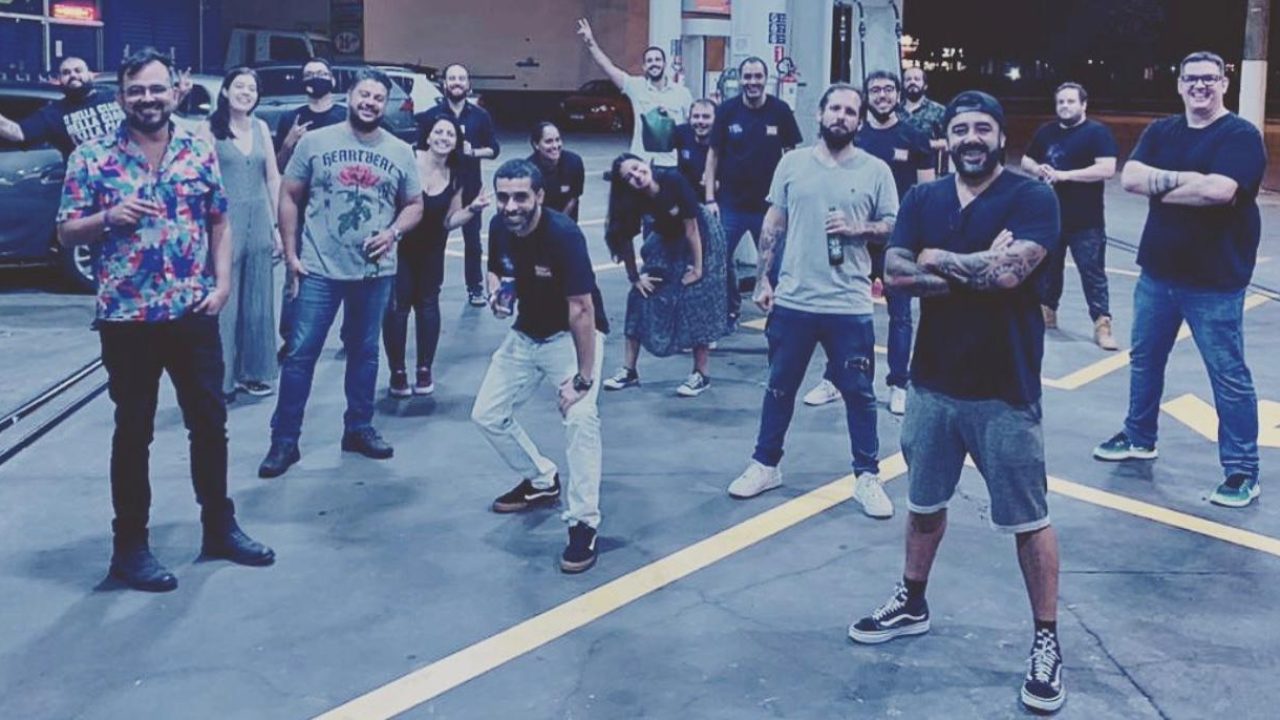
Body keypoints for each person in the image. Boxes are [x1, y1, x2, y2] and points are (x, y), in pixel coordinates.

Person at [847, 91, 1065, 714]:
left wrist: (937, 257)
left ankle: (1046, 640)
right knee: (923, 507)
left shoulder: (1032, 197)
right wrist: (977, 265)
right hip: (932, 385)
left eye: (983, 128)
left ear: (1001, 137)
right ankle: (912, 602)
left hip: (1006, 389)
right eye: (961, 128)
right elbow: (895, 276)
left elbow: (1011, 275)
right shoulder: (924, 199)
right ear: (947, 137)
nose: (972, 138)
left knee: (1028, 521)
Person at [55, 47, 275, 593]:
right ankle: (129, 547)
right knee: (134, 432)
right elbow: (66, 230)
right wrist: (109, 217)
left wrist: (222, 285)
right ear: (120, 96)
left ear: (175, 91)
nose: (148, 99)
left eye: (157, 89)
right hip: (128, 319)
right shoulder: (92, 157)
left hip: (192, 312)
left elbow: (219, 220)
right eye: (136, 91)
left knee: (210, 424)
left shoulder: (198, 147)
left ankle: (219, 528)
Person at [1093, 51, 1267, 509]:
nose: (1200, 86)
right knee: (1145, 361)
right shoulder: (1162, 130)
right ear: (1180, 84)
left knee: (1228, 375)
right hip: (1158, 272)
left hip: (1216, 279)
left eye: (1209, 78)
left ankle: (1243, 470)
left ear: (1224, 83)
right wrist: (1190, 180)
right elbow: (1131, 179)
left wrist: (1165, 187)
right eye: (1191, 79)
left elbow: (1220, 191)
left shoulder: (1240, 136)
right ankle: (1139, 436)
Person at [726, 83, 895, 521]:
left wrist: (858, 230)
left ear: (859, 121)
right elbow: (774, 221)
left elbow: (892, 226)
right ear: (819, 114)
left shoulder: (876, 170)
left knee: (859, 394)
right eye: (834, 108)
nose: (841, 116)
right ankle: (766, 464)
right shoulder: (792, 163)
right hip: (795, 299)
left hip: (849, 303)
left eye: (850, 111)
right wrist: (764, 278)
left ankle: (867, 476)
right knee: (779, 388)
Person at [258, 68, 424, 479]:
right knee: (300, 354)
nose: (370, 103)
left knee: (365, 353)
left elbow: (414, 204)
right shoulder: (315, 142)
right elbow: (289, 195)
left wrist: (393, 232)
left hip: (374, 271)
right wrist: (291, 253)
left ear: (384, 105)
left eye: (378, 98)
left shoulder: (400, 150)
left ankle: (358, 428)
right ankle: (284, 440)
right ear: (348, 97)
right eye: (364, 95)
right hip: (318, 267)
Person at [470, 159, 609, 574]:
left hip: (571, 338)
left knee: (581, 419)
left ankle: (584, 522)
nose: (510, 206)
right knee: (487, 415)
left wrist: (582, 379)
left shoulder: (563, 236)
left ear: (539, 197)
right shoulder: (500, 226)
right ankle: (542, 479)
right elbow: (497, 270)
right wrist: (499, 294)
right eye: (503, 197)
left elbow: (582, 309)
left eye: (520, 197)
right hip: (526, 333)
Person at [802, 70, 934, 415]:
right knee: (840, 312)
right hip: (850, 238)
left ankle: (898, 384)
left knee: (900, 316)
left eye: (889, 89)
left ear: (897, 94)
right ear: (866, 98)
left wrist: (922, 238)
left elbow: (927, 193)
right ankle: (833, 379)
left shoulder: (915, 136)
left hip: (898, 241)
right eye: (875, 90)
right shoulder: (853, 135)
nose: (882, 95)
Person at [600, 153, 728, 397]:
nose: (636, 176)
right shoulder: (631, 199)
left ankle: (701, 374)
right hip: (667, 237)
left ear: (644, 163)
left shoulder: (673, 180)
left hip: (702, 237)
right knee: (638, 296)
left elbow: (691, 229)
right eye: (628, 177)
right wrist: (634, 278)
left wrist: (697, 269)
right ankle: (629, 370)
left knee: (697, 298)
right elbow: (624, 237)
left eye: (636, 168)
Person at [383, 115, 485, 398]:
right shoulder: (408, 160)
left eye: (450, 135)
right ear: (427, 136)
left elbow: (449, 221)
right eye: (438, 132)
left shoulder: (456, 174)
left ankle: (424, 369)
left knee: (428, 306)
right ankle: (397, 371)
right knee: (397, 307)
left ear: (456, 143)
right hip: (400, 248)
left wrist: (473, 209)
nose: (443, 138)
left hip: (432, 250)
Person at [703, 57, 802, 325]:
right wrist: (710, 198)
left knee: (775, 266)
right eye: (747, 77)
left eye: (758, 76)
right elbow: (713, 155)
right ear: (740, 80)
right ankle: (729, 311)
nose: (752, 82)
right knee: (718, 262)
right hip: (730, 205)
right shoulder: (726, 111)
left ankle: (778, 319)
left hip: (769, 208)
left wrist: (790, 198)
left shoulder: (780, 111)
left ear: (766, 79)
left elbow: (791, 156)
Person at [1021, 82, 1120, 349]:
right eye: (1061, 102)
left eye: (1070, 101)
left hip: (1086, 219)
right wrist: (1039, 169)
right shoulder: (1046, 132)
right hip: (1050, 217)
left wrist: (1065, 175)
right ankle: (1046, 312)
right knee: (1048, 270)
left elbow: (1107, 168)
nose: (1065, 106)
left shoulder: (1097, 133)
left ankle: (1102, 323)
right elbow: (1026, 160)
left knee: (1092, 272)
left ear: (1083, 105)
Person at [204, 67, 282, 401]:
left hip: (259, 220)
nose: (246, 93)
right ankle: (221, 379)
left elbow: (273, 178)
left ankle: (254, 372)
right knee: (226, 302)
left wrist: (279, 227)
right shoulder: (209, 129)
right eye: (239, 86)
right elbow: (199, 179)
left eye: (252, 88)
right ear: (225, 91)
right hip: (224, 222)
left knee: (258, 301)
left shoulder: (261, 127)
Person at [273, 58, 348, 360]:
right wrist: (289, 143)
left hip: (342, 210)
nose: (316, 78)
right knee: (296, 274)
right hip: (302, 210)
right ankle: (291, 339)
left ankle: (350, 336)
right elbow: (278, 167)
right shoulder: (291, 118)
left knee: (350, 275)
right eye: (309, 74)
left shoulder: (345, 116)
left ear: (332, 79)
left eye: (321, 73)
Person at [416, 63, 501, 307]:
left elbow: (494, 149)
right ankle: (429, 287)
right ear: (444, 83)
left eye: (461, 78)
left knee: (473, 242)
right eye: (452, 78)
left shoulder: (480, 116)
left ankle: (475, 288)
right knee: (435, 238)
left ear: (468, 84)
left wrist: (473, 152)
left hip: (470, 187)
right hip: (439, 186)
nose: (456, 82)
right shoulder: (431, 115)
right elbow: (420, 149)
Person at [577, 17, 692, 168]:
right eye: (649, 61)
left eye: (657, 60)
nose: (654, 64)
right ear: (644, 67)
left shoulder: (682, 93)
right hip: (642, 163)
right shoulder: (636, 87)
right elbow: (608, 67)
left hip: (672, 164)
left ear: (664, 64)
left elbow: (691, 128)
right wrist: (590, 42)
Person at [0, 56, 126, 157]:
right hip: (86, 180)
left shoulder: (114, 97)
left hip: (128, 175)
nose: (73, 75)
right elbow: (18, 133)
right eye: (66, 73)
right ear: (59, 80)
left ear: (91, 75)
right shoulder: (52, 114)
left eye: (78, 70)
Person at [527, 121, 584, 221]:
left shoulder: (574, 162)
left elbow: (574, 197)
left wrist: (560, 222)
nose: (555, 146)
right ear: (536, 145)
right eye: (548, 141)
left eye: (558, 140)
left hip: (566, 218)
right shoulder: (529, 170)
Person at [900, 66, 948, 175]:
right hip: (899, 173)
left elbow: (949, 142)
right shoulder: (895, 111)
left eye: (917, 79)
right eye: (908, 79)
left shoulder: (938, 111)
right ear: (903, 85)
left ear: (925, 85)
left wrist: (923, 145)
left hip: (930, 172)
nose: (912, 82)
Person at [673, 98, 716, 200]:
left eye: (706, 117)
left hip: (716, 199)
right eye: (696, 116)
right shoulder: (682, 132)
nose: (700, 121)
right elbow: (658, 143)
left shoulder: (725, 139)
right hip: (685, 198)